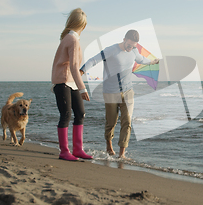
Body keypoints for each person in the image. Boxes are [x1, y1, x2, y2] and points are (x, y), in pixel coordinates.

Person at [80, 30, 159, 158]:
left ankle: (122, 153)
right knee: (111, 122)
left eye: (133, 46)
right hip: (110, 92)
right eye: (129, 45)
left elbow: (140, 59)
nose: (130, 48)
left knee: (127, 121)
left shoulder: (134, 51)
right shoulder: (111, 50)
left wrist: (152, 61)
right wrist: (82, 71)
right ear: (124, 39)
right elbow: (94, 60)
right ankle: (109, 145)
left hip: (128, 91)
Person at [51, 8, 93, 161]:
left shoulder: (69, 38)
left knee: (80, 113)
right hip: (63, 81)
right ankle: (64, 152)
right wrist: (83, 88)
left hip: (70, 82)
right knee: (66, 115)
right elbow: (75, 66)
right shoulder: (72, 40)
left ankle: (77, 149)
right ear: (82, 25)